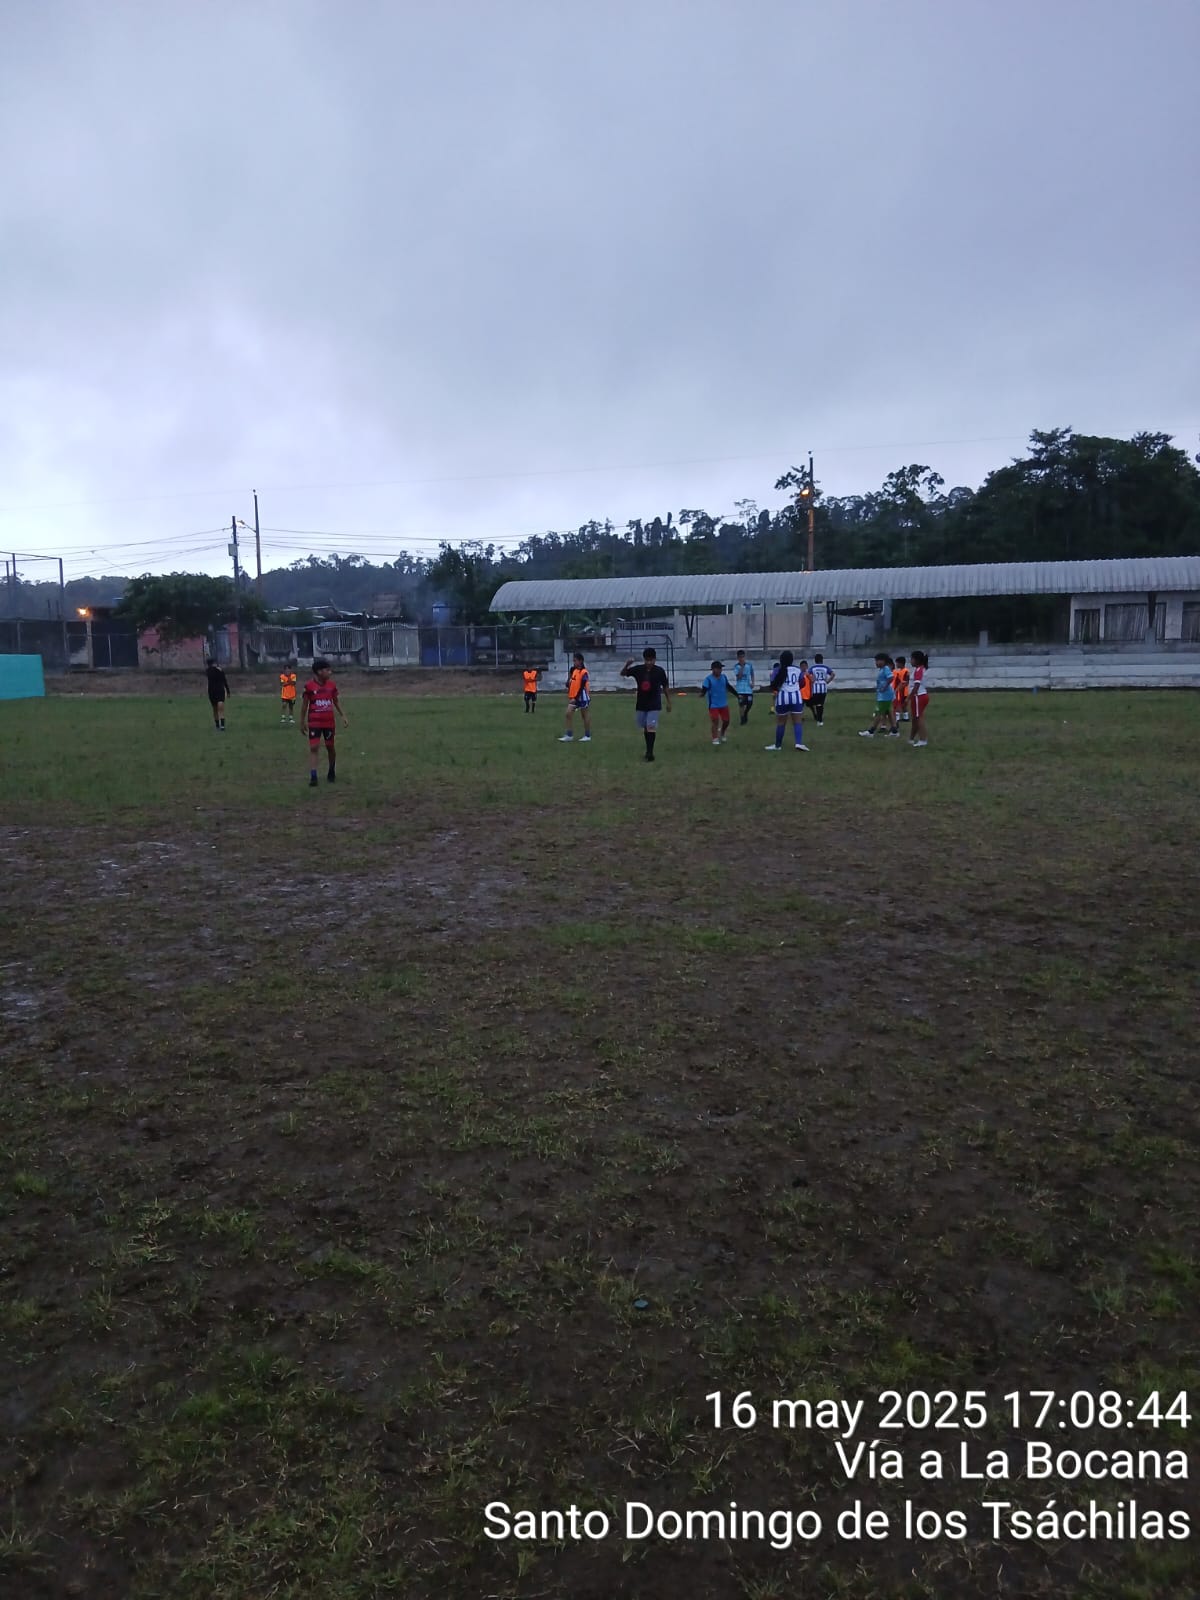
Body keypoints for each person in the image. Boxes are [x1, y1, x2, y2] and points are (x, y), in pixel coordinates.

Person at [300, 658, 349, 786]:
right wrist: (302, 721)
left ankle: (331, 770)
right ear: (319, 672)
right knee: (314, 747)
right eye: (328, 670)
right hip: (314, 722)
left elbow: (336, 701)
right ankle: (313, 776)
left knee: (330, 747)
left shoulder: (331, 686)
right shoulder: (309, 687)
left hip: (329, 722)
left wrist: (343, 715)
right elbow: (304, 705)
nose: (330, 672)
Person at [620, 647, 672, 761]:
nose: (649, 662)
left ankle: (650, 753)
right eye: (647, 660)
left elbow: (665, 687)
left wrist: (669, 702)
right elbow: (623, 673)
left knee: (651, 727)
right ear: (644, 659)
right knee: (645, 727)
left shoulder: (659, 671)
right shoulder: (639, 669)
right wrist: (627, 665)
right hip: (642, 703)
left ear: (655, 659)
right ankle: (648, 751)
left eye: (651, 660)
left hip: (654, 704)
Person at [765, 650, 810, 751]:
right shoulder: (797, 670)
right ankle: (798, 743)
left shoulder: (777, 670)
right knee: (797, 721)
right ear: (792, 660)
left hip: (782, 698)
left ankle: (778, 745)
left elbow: (773, 683)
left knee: (781, 722)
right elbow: (803, 683)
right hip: (796, 697)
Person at [859, 654, 899, 738]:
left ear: (883, 661)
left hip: (885, 696)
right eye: (876, 661)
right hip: (885, 695)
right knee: (889, 712)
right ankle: (894, 731)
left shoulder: (886, 669)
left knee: (878, 713)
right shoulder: (882, 669)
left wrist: (884, 687)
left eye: (878, 661)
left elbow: (891, 678)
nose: (876, 663)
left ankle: (871, 731)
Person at [558, 653, 592, 742]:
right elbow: (572, 682)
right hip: (574, 696)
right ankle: (569, 735)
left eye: (575, 660)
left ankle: (587, 735)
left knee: (584, 715)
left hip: (581, 697)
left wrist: (576, 698)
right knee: (568, 714)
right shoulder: (574, 670)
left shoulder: (584, 672)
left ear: (580, 661)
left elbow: (581, 686)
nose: (574, 662)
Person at [700, 660, 731, 745]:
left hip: (723, 703)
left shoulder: (724, 677)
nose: (720, 670)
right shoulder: (708, 679)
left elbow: (728, 687)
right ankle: (715, 738)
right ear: (713, 669)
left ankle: (722, 733)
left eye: (721, 668)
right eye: (719, 668)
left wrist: (737, 695)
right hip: (713, 704)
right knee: (715, 720)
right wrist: (702, 694)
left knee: (726, 721)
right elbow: (704, 689)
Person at [908, 650, 931, 746]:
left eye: (912, 659)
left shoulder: (919, 670)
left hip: (919, 696)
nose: (911, 661)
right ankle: (911, 739)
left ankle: (923, 740)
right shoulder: (918, 669)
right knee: (915, 718)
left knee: (918, 718)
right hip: (919, 696)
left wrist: (908, 698)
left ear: (917, 660)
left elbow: (916, 686)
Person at [808, 653, 835, 725]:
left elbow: (807, 674)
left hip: (816, 688)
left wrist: (812, 679)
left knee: (817, 704)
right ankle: (820, 719)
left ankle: (819, 719)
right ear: (822, 660)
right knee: (821, 704)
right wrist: (828, 681)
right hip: (823, 688)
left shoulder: (813, 668)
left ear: (815, 660)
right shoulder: (825, 667)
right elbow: (833, 674)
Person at [205, 659, 230, 731]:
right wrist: (228, 691)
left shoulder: (208, 671)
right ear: (214, 663)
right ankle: (222, 726)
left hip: (212, 691)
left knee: (215, 709)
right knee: (220, 708)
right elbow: (224, 680)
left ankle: (217, 726)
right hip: (219, 690)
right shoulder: (219, 670)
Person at [733, 649, 755, 724]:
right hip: (740, 689)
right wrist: (742, 667)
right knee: (741, 704)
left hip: (748, 688)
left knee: (750, 703)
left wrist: (753, 682)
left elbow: (752, 673)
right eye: (740, 657)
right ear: (738, 658)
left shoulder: (749, 665)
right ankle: (742, 719)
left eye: (743, 657)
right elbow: (739, 677)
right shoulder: (736, 667)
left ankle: (745, 713)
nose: (742, 659)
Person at [892, 655, 911, 723]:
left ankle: (897, 718)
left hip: (903, 691)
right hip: (900, 690)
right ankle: (906, 717)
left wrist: (898, 689)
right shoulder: (899, 671)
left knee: (898, 704)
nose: (896, 664)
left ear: (901, 663)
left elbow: (906, 682)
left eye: (897, 663)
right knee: (903, 704)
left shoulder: (906, 671)